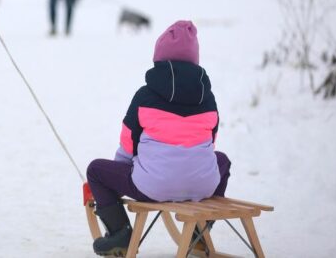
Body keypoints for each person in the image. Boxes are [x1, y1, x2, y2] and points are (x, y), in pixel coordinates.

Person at [85, 21, 231, 256]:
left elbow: (128, 141)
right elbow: (210, 143)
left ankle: (120, 233)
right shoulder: (208, 98)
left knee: (96, 171)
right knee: (222, 160)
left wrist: (120, 173)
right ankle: (200, 230)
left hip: (152, 186)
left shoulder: (145, 95)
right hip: (202, 185)